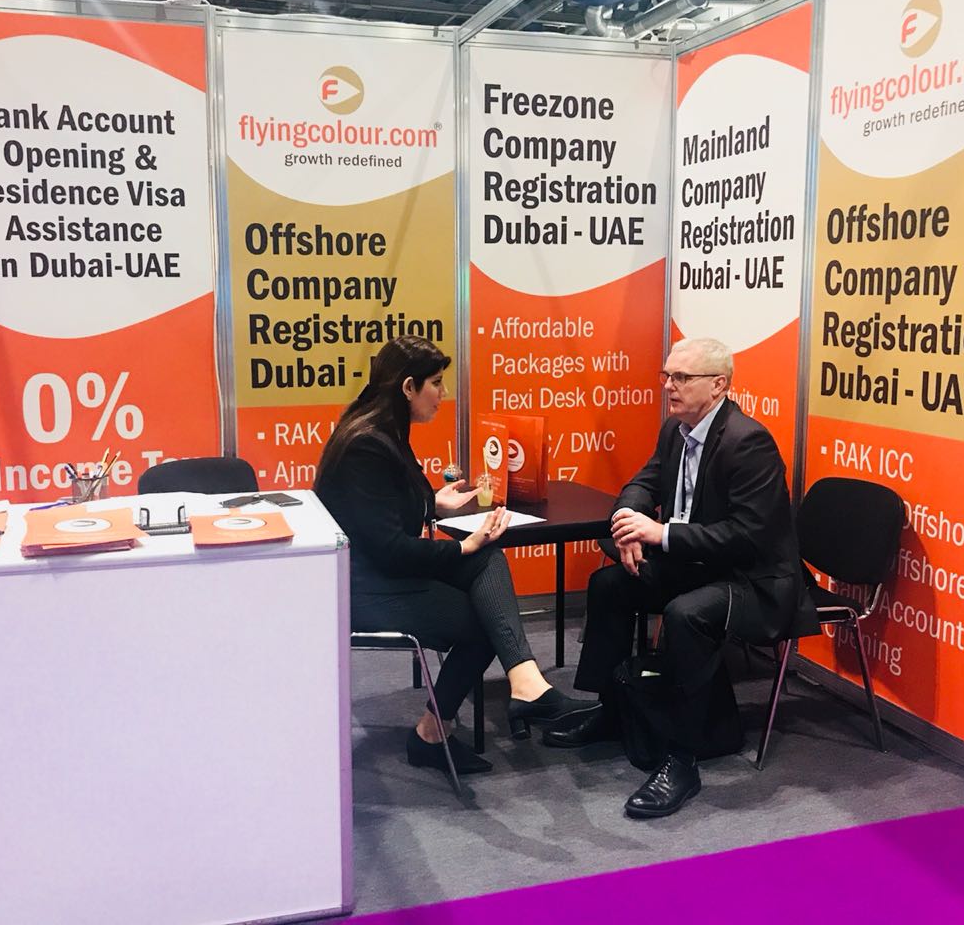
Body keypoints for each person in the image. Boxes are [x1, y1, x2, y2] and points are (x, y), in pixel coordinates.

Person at [545, 337, 817, 819]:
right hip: (699, 564)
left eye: (682, 378)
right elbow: (642, 482)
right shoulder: (676, 430)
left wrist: (661, 533)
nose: (669, 386)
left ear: (719, 385)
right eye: (667, 375)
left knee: (686, 615)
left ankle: (682, 758)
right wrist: (628, 521)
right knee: (610, 585)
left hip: (754, 580)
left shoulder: (748, 442)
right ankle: (612, 709)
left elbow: (747, 536)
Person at [316, 335, 598, 775]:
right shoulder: (367, 444)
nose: (443, 394)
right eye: (436, 383)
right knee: (484, 618)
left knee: (488, 560)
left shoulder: (377, 426)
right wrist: (461, 546)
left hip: (383, 572)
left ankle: (525, 682)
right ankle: (432, 734)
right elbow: (388, 549)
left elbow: (376, 510)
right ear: (407, 387)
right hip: (366, 589)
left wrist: (431, 502)